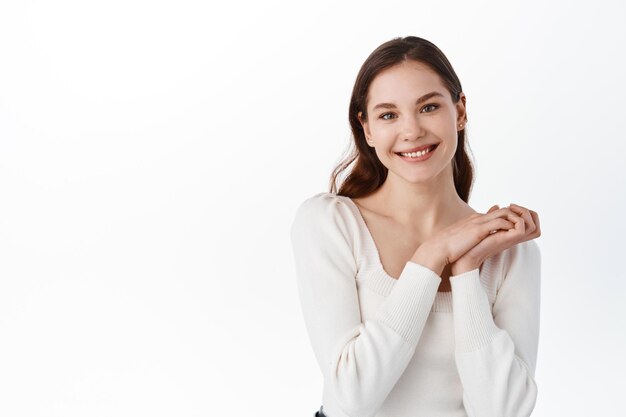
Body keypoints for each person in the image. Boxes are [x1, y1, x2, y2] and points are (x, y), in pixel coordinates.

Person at [289, 36, 542, 417]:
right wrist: (431, 256)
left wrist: (467, 272)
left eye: (428, 107)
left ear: (459, 111)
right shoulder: (332, 224)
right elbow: (349, 402)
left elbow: (502, 411)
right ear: (367, 128)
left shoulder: (509, 249)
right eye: (388, 115)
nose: (411, 131)